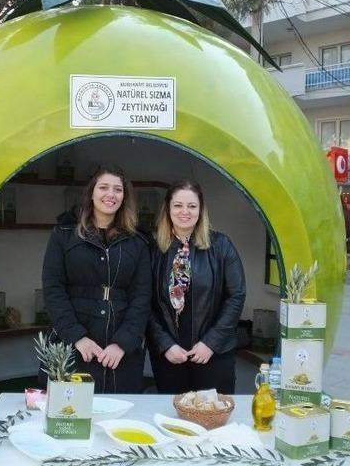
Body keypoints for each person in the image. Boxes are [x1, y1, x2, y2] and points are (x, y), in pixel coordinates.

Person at [42, 165, 152, 394]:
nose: (110, 195)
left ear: (125, 197)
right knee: (71, 413)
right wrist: (77, 337)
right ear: (91, 192)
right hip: (73, 339)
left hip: (121, 341)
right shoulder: (64, 233)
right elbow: (53, 288)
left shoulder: (138, 240)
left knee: (120, 412)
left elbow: (142, 295)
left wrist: (122, 343)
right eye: (103, 187)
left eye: (118, 190)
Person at [147, 181, 246, 394]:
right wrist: (165, 344)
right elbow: (144, 302)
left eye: (192, 206)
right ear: (168, 209)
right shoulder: (153, 250)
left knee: (214, 419)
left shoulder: (221, 246)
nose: (185, 212)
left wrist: (210, 343)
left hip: (214, 355)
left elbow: (236, 296)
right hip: (170, 357)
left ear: (201, 210)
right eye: (178, 205)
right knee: (173, 420)